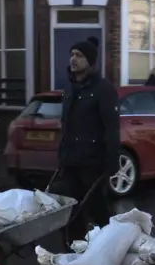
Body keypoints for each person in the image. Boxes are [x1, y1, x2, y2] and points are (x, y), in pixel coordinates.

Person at [49, 36, 120, 246]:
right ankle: (73, 251)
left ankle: (112, 247)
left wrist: (111, 161)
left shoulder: (103, 90)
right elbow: (66, 125)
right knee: (71, 211)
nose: (73, 59)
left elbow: (111, 127)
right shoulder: (69, 89)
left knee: (98, 210)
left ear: (90, 60)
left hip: (93, 163)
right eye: (72, 55)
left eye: (79, 56)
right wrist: (62, 156)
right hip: (71, 162)